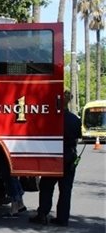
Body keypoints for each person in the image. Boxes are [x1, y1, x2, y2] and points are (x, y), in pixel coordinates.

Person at [29, 90, 82, 226]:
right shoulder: (75, 120)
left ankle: (43, 214)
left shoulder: (51, 118)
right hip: (69, 156)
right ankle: (62, 218)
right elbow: (78, 137)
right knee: (65, 189)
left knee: (46, 186)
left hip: (53, 156)